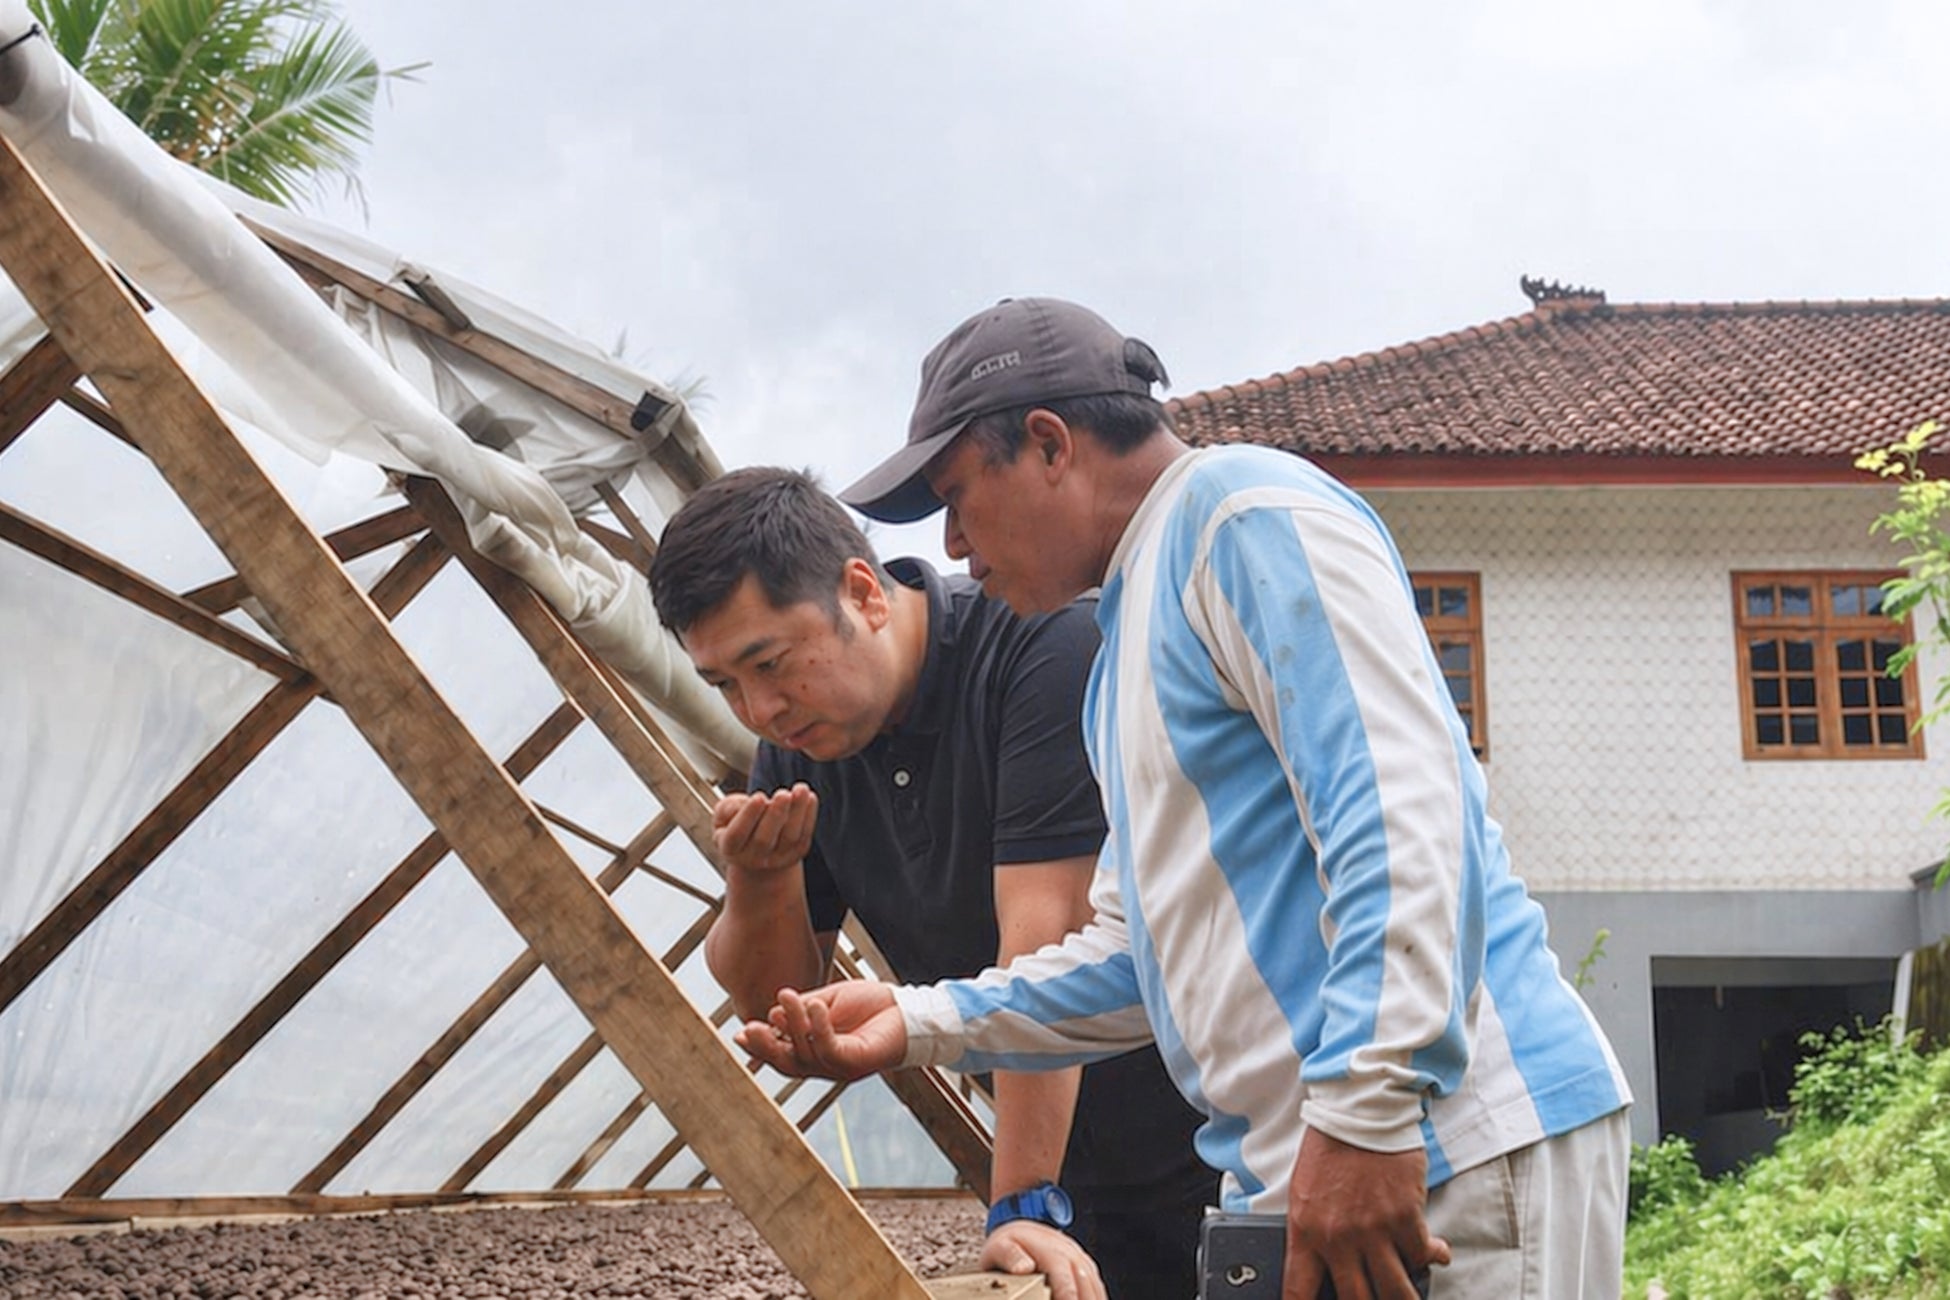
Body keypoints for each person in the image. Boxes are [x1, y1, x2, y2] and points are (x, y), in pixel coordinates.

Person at [734, 298, 1635, 1300]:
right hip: (1319, 1161)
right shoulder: (1124, 639)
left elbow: (1401, 811)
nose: (953, 543)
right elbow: (1141, 954)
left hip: (1443, 1145)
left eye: (958, 495)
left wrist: (1369, 1109)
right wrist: (920, 1019)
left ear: (1049, 445)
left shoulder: (1242, 519)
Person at [647, 467, 1216, 1300]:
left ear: (861, 593)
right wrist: (760, 878)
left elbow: (1046, 935)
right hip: (1073, 1177)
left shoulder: (1043, 646)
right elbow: (773, 1003)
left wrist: (1022, 1201)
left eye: (769, 663)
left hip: (1209, 1142)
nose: (759, 709)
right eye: (725, 685)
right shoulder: (801, 744)